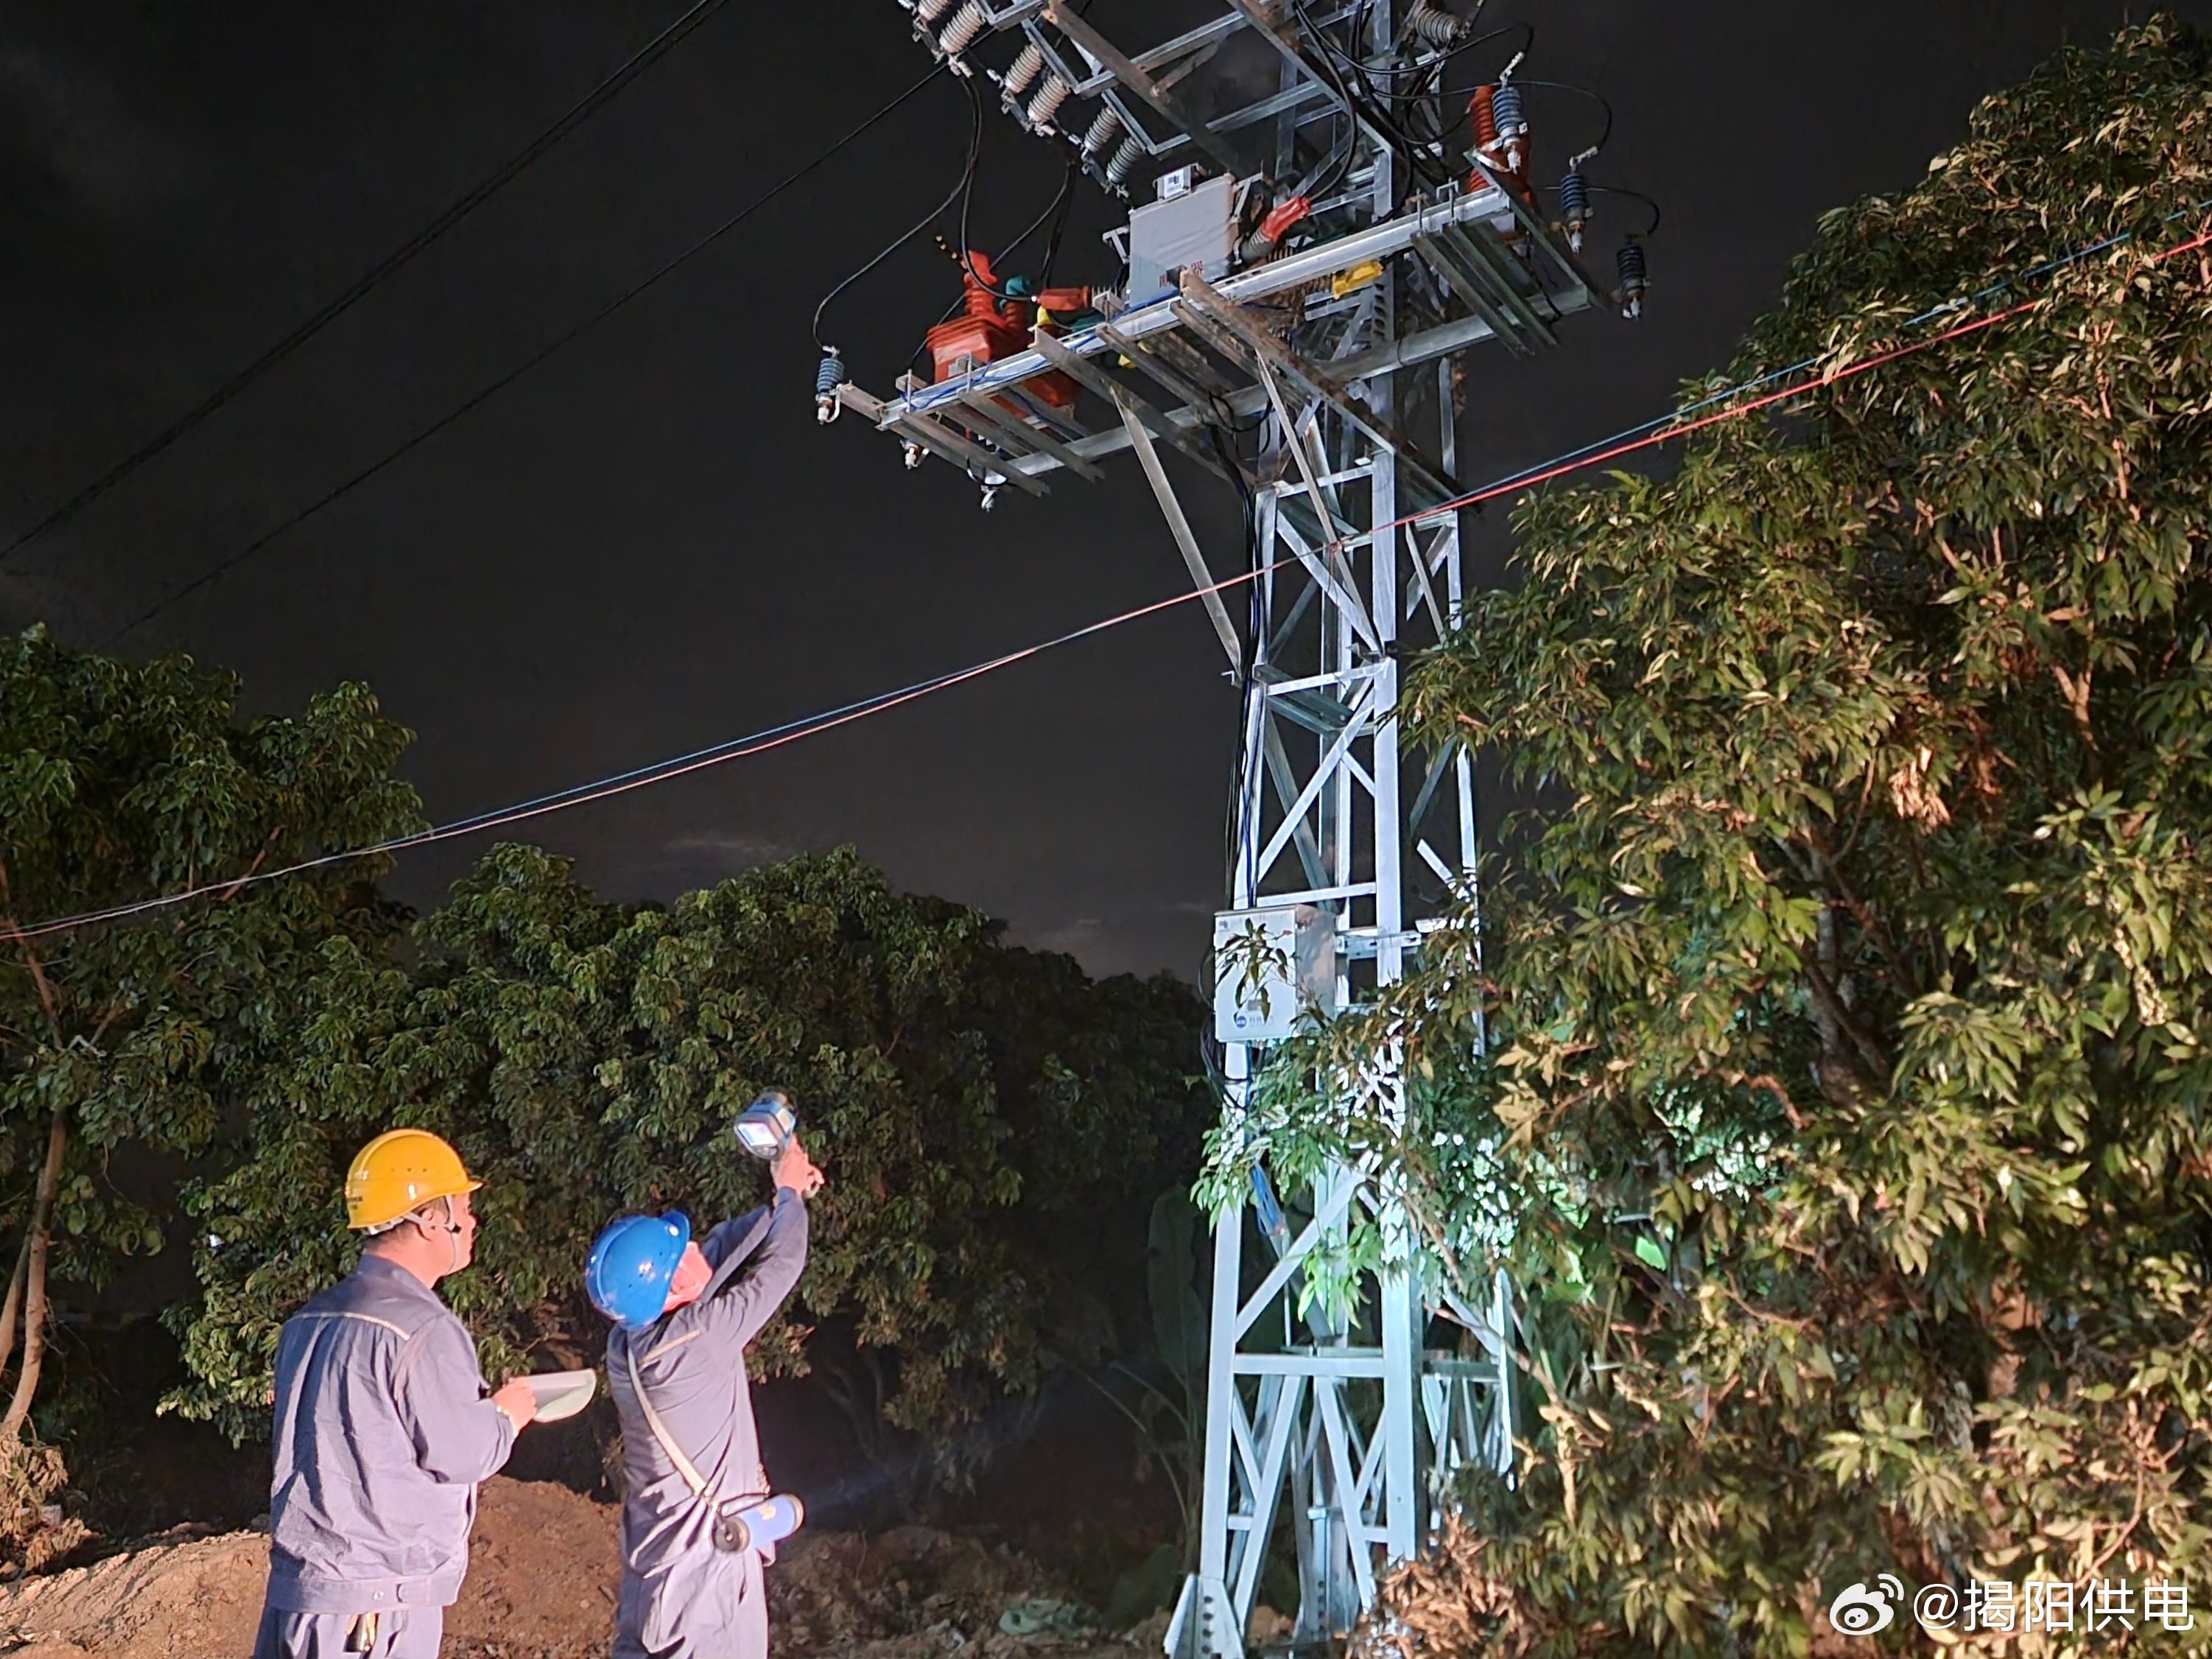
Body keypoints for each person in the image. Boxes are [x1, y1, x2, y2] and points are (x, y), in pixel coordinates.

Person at [253, 1129, 541, 1659]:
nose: (472, 1220)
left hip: (302, 1593)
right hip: (375, 1606)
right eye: (463, 1205)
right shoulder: (423, 1327)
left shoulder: (309, 1320)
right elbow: (463, 1454)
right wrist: (506, 1415)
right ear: (431, 1217)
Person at [589, 1133, 825, 1659]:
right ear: (672, 1291)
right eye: (683, 1252)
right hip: (707, 1575)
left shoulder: (626, 1340)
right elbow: (780, 1268)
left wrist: (782, 1199)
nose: (698, 1246)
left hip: (656, 1570)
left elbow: (712, 1256)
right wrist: (786, 1200)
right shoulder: (694, 1343)